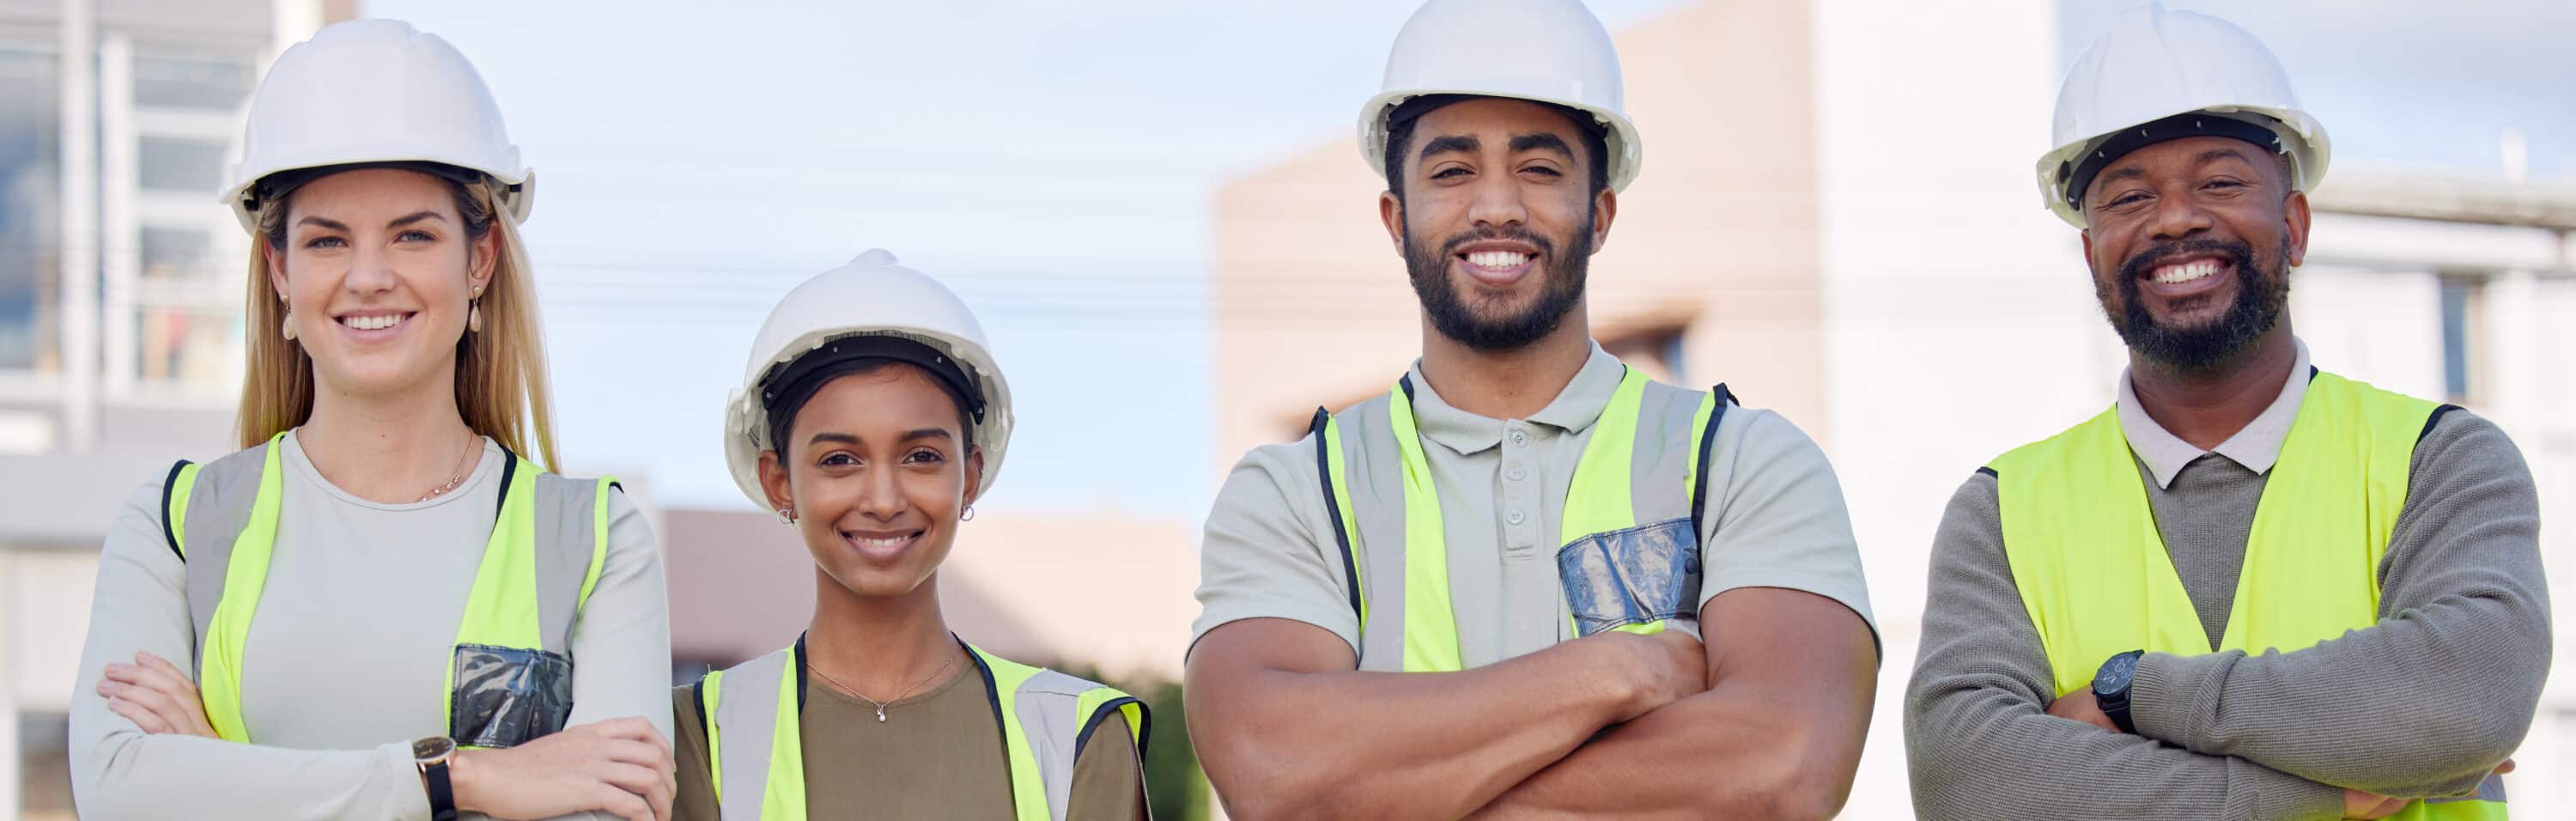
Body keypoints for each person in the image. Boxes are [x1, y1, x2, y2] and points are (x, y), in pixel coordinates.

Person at [1182, 0, 1880, 817]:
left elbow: (1784, 770)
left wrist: (1387, 786)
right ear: (1395, 219)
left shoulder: (1743, 463)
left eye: (1540, 168)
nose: (1497, 207)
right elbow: (1271, 770)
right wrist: (1616, 671)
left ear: (1601, 214)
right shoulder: (1295, 492)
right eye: (1452, 171)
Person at [1903, 6, 2547, 819]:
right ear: (2092, 254)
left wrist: (2129, 693)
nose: (2175, 218)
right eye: (2129, 197)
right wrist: (2313, 794)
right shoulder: (2001, 513)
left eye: (2220, 183)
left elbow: (2464, 702)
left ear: (2295, 226)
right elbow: (1965, 782)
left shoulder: (2441, 460)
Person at [64, 19, 676, 821]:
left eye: (413, 235)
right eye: (327, 242)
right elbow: (118, 790)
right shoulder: (175, 524)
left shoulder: (597, 544)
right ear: (280, 271)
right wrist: (459, 781)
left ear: (479, 259)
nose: (368, 277)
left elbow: (620, 805)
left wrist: (224, 776)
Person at [671, 250, 1148, 820]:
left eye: (921, 456)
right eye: (840, 459)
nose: (883, 500)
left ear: (969, 477)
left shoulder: (1076, 737)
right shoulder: (692, 734)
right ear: (780, 483)